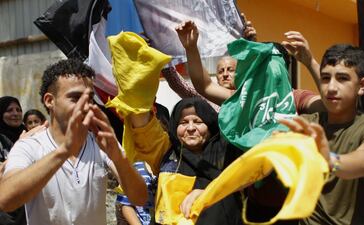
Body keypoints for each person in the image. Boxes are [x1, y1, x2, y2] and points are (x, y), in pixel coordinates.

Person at [0, 59, 147, 225]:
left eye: (90, 99)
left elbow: (140, 198)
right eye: (75, 98)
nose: (85, 106)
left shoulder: (101, 142)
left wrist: (119, 159)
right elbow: (6, 200)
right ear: (50, 101)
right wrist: (64, 151)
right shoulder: (29, 146)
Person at [280, 44, 364, 225]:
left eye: (342, 78)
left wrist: (330, 161)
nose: (331, 87)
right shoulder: (307, 123)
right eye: (325, 78)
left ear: (362, 85)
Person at [128, 97, 243, 225]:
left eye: (198, 122)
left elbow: (245, 182)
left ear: (210, 125)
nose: (190, 128)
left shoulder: (227, 151)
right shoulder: (166, 152)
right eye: (183, 123)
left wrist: (208, 194)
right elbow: (143, 128)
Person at [174, 20, 323, 114]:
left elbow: (330, 105)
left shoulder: (296, 98)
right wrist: (191, 48)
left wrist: (311, 63)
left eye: (267, 65)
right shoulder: (244, 98)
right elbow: (204, 86)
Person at [0, 96, 27, 225]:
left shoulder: (29, 134)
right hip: (5, 210)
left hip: (28, 204)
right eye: (9, 110)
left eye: (18, 109)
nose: (15, 114)